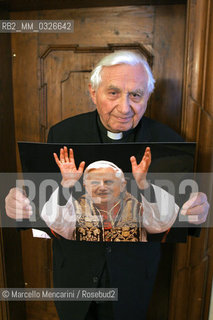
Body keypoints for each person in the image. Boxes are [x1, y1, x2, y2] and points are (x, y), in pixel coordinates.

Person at [5, 51, 209, 320]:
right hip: (74, 275)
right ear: (93, 92)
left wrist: (199, 213)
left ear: (147, 96)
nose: (125, 108)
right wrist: (16, 205)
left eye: (136, 95)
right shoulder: (62, 134)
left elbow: (177, 217)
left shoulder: (168, 142)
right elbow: (44, 207)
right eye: (113, 93)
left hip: (132, 280)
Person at [40, 147, 179, 242]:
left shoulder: (138, 206)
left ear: (122, 185)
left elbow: (162, 220)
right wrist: (66, 184)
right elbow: (55, 221)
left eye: (108, 181)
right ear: (85, 187)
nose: (102, 187)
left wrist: (143, 184)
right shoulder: (73, 209)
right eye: (94, 182)